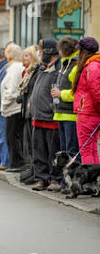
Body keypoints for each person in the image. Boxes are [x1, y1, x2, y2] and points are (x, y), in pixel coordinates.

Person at [30, 39, 62, 191]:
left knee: (52, 152)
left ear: (49, 52)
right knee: (39, 151)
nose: (39, 54)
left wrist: (50, 108)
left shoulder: (58, 70)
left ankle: (54, 179)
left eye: (42, 51)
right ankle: (41, 178)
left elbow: (55, 95)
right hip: (38, 117)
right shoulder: (42, 69)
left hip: (50, 118)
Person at [51, 36, 79, 192]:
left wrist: (61, 94)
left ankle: (73, 184)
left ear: (65, 50)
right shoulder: (64, 65)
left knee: (71, 151)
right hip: (61, 113)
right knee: (64, 152)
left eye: (60, 49)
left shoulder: (74, 67)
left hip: (70, 115)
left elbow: (77, 93)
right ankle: (65, 182)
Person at [72, 37, 100, 164]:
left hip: (88, 113)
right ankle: (95, 180)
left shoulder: (91, 66)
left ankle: (89, 181)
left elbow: (96, 92)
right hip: (92, 113)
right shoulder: (95, 64)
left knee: (86, 150)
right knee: (92, 149)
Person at [0, 43, 26, 172]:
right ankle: (16, 162)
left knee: (12, 136)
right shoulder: (18, 67)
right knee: (14, 136)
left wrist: (4, 103)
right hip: (15, 107)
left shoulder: (14, 68)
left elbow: (10, 89)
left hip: (12, 108)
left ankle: (16, 163)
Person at [18, 45, 41, 184]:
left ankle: (35, 171)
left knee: (34, 142)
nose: (24, 58)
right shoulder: (26, 72)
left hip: (32, 111)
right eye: (23, 55)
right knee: (28, 142)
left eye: (27, 55)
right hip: (25, 110)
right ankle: (31, 168)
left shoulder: (36, 71)